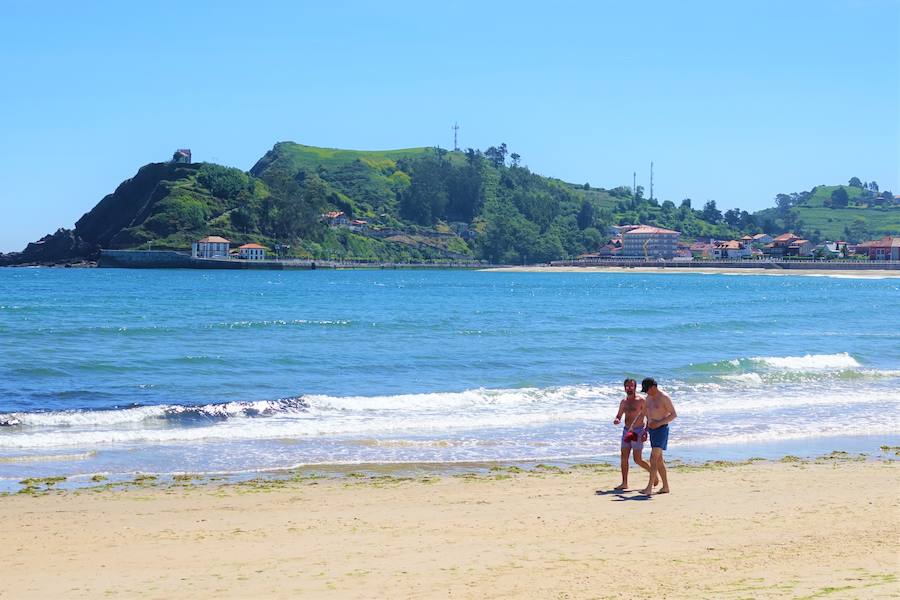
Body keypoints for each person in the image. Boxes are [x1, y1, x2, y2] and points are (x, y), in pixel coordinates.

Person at [612, 378, 652, 490]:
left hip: (638, 431)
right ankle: (624, 483)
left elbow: (648, 417)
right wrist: (617, 420)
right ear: (624, 387)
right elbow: (619, 415)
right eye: (627, 386)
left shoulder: (641, 400)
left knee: (637, 459)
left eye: (631, 386)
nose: (629, 388)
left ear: (635, 387)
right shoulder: (623, 402)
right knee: (624, 457)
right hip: (627, 431)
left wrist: (646, 431)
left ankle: (653, 474)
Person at [639, 377, 676, 496]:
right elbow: (646, 414)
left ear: (653, 387)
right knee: (659, 461)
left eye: (647, 389)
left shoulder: (664, 397)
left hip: (661, 430)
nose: (646, 392)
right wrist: (645, 430)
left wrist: (659, 423)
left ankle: (649, 488)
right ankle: (666, 487)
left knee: (653, 459)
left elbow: (673, 414)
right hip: (652, 431)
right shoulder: (648, 398)